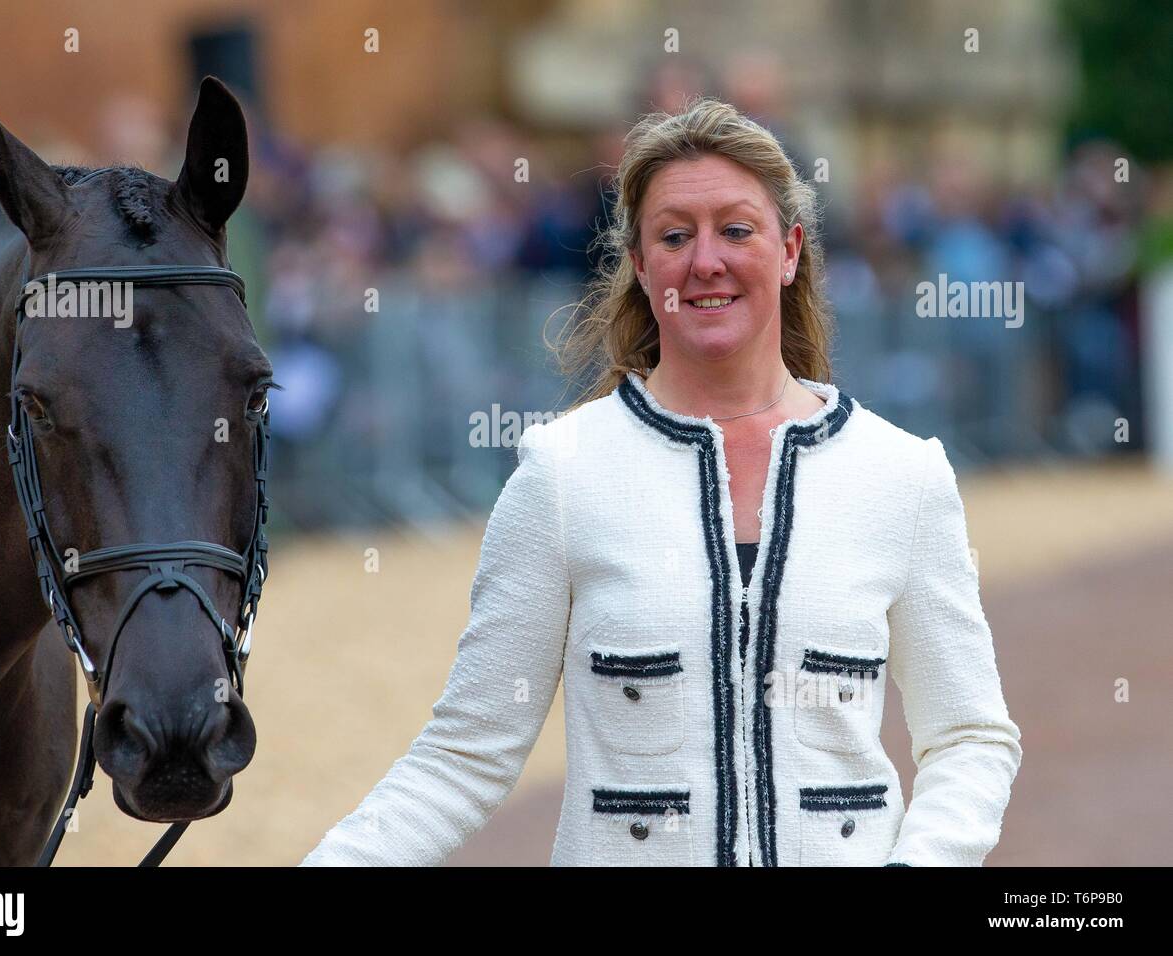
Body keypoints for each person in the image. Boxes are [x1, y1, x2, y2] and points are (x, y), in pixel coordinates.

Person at [300, 97, 1022, 867]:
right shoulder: (564, 476)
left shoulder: (902, 476)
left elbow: (969, 735)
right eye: (675, 235)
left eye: (737, 230)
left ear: (789, 251)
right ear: (642, 267)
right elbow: (464, 755)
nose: (705, 260)